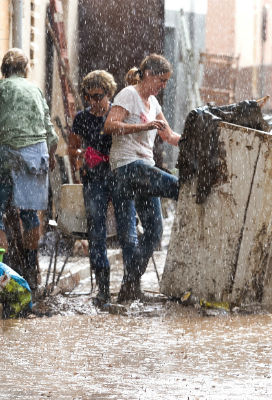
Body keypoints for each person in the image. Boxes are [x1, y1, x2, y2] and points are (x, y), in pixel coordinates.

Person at [0, 48, 58, 289]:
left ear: (3, 69)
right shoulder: (35, 89)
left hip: (9, 152)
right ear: (25, 69)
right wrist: (49, 157)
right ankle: (31, 271)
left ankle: (5, 274)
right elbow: (51, 133)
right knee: (30, 212)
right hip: (37, 153)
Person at [103, 54, 181, 302]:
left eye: (167, 81)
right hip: (126, 168)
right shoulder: (128, 94)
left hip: (143, 169)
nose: (163, 86)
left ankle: (129, 286)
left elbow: (169, 137)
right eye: (161, 80)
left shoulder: (154, 104)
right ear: (148, 74)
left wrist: (194, 138)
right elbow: (110, 125)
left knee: (153, 232)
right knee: (178, 188)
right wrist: (142, 127)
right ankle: (189, 191)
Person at [68, 70, 118, 307]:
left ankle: (131, 285)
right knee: (96, 235)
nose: (94, 102)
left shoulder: (116, 114)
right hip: (93, 179)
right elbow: (72, 150)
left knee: (128, 232)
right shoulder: (81, 119)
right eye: (89, 97)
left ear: (109, 94)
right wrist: (84, 154)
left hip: (118, 177)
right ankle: (103, 289)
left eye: (99, 96)